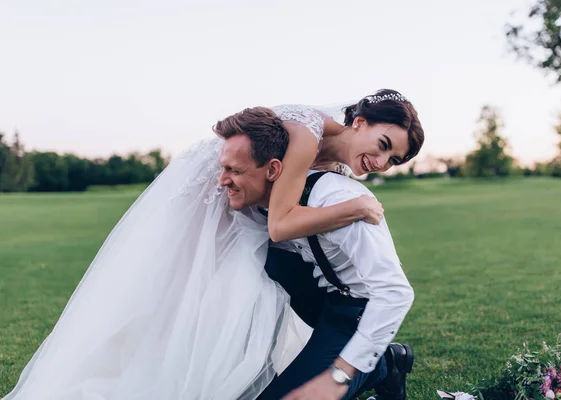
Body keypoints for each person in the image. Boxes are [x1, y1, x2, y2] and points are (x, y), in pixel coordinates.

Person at [3, 90, 424, 400]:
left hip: (256, 207)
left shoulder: (332, 169)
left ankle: (370, 362)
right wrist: (356, 208)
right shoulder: (306, 137)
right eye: (383, 146)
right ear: (360, 122)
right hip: (223, 193)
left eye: (392, 160)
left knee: (245, 283)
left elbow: (287, 227)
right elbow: (279, 225)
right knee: (183, 294)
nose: (381, 163)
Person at [217, 117, 415, 400]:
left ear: (273, 168)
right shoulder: (258, 204)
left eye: (235, 170)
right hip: (320, 301)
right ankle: (381, 361)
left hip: (356, 312)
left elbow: (395, 292)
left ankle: (379, 365)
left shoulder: (336, 198)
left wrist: (341, 373)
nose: (223, 180)